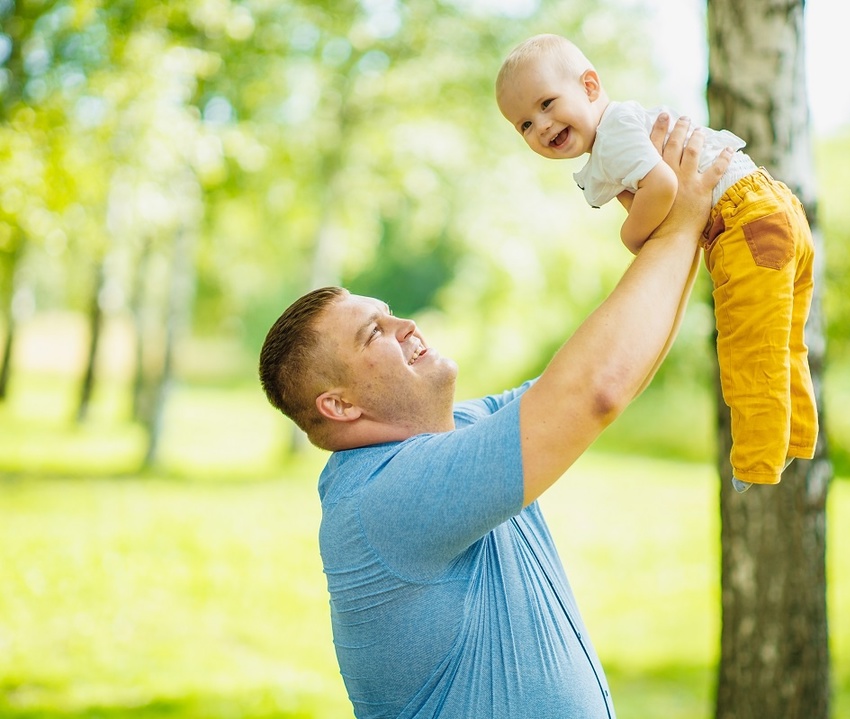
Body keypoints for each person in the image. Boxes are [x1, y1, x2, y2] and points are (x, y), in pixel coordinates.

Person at [258, 115, 728, 718]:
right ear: (340, 405)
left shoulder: (462, 430)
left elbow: (614, 376)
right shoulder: (384, 499)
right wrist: (678, 229)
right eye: (375, 332)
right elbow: (593, 392)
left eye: (390, 311)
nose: (406, 325)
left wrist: (679, 228)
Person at [495, 33, 818, 492]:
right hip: (774, 208)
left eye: (547, 103)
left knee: (749, 344)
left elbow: (663, 186)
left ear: (590, 86)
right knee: (783, 340)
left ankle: (755, 463)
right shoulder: (620, 130)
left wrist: (632, 235)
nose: (541, 125)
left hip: (744, 221)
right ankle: (795, 439)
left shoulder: (612, 135)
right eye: (524, 124)